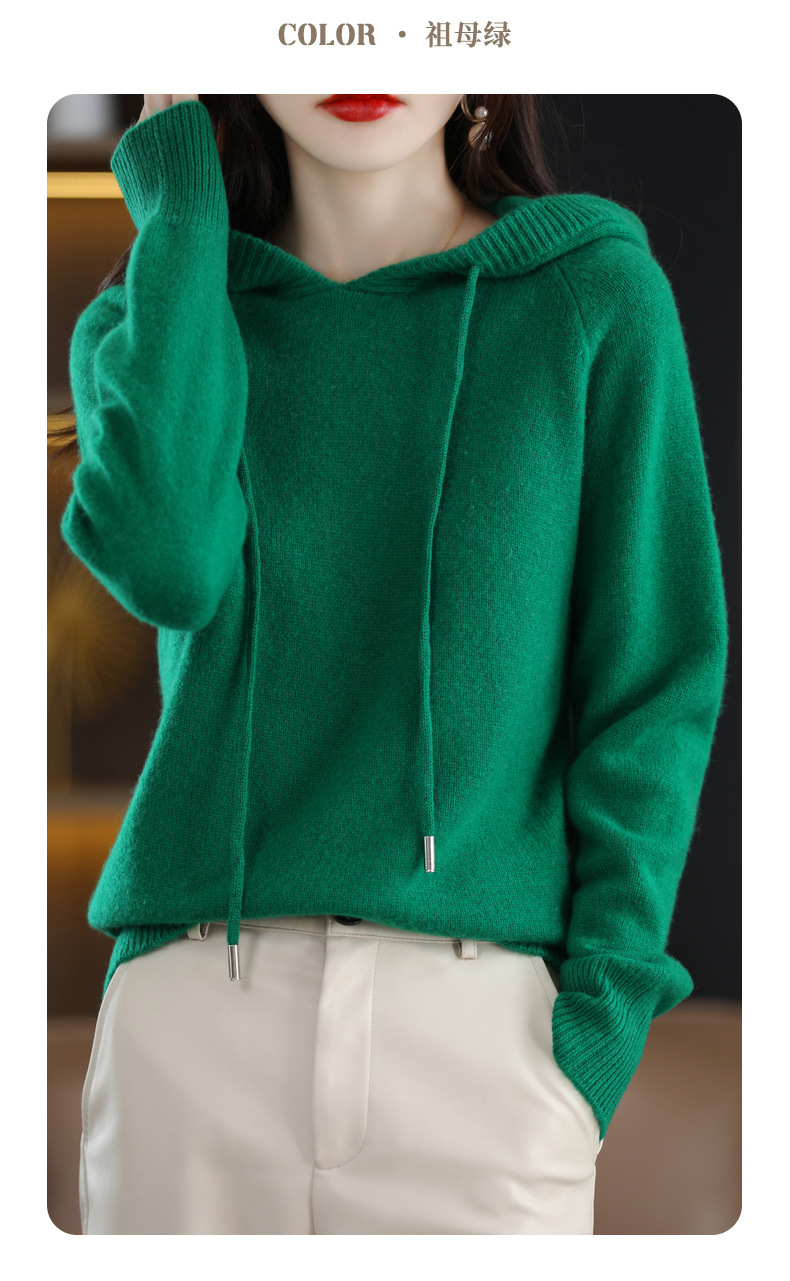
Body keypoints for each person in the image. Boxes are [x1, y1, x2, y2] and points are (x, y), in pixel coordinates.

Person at [50, 93, 729, 1234]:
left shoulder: (591, 296)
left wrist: (593, 1035)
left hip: (483, 1044)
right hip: (191, 1026)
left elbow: (653, 684)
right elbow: (167, 563)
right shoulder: (161, 307)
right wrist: (177, 202)